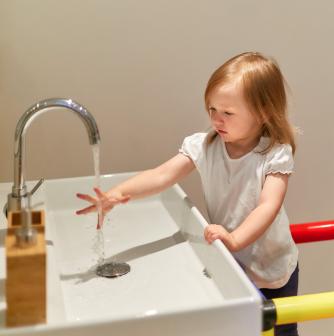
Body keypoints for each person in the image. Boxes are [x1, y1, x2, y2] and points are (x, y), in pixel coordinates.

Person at [76, 52, 299, 336]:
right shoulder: (204, 146)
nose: (217, 120)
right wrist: (117, 193)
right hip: (230, 260)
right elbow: (162, 175)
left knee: (280, 332)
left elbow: (268, 207)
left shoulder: (274, 154)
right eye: (211, 110)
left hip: (273, 267)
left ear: (264, 112)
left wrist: (235, 238)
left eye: (228, 113)